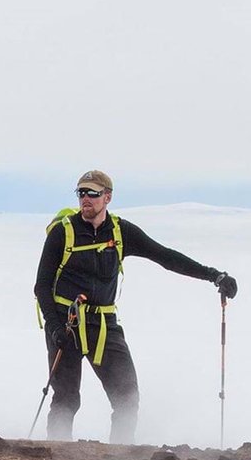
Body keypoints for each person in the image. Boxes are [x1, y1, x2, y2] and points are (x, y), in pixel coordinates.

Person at [34, 170, 238, 444]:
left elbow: (165, 256)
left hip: (104, 325)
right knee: (66, 399)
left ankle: (119, 457)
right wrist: (54, 327)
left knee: (127, 396)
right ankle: (57, 457)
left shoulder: (120, 232)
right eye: (81, 193)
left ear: (107, 197)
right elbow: (42, 285)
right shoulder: (63, 233)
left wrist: (214, 276)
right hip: (66, 322)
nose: (86, 198)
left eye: (92, 193)